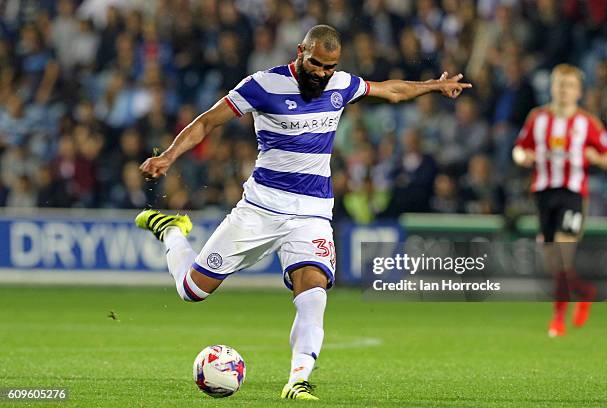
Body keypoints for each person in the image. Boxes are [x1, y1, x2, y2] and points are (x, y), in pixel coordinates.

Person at [135, 25, 471, 400]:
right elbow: (206, 122)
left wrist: (433, 87)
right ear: (300, 52)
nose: (323, 74)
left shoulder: (341, 84)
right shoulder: (262, 85)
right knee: (191, 291)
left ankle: (298, 379)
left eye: (330, 66)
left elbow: (390, 90)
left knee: (313, 293)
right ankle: (172, 231)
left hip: (311, 214)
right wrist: (168, 156)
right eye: (316, 64)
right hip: (260, 209)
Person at [513, 63, 607, 337]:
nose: (563, 90)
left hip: (572, 193)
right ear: (552, 87)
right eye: (559, 84)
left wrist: (597, 158)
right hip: (544, 193)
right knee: (551, 262)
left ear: (578, 91)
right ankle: (585, 291)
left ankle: (558, 319)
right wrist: (523, 158)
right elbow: (519, 149)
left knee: (564, 254)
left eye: (569, 86)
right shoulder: (537, 118)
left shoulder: (587, 122)